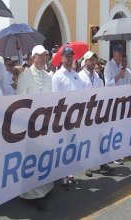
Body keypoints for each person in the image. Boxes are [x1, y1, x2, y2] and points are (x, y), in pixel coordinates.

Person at [17, 45, 54, 211]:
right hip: (29, 125)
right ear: (33, 58)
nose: (44, 58)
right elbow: (19, 101)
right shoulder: (24, 76)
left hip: (44, 124)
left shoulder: (49, 77)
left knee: (43, 157)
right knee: (30, 159)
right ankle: (30, 194)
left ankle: (45, 191)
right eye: (41, 55)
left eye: (45, 55)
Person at [78, 51, 115, 177]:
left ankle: (102, 163)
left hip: (97, 113)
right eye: (90, 60)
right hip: (85, 114)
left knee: (100, 139)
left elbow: (103, 95)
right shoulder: (79, 77)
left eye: (94, 60)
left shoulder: (98, 78)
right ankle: (87, 165)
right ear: (85, 61)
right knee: (87, 141)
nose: (93, 62)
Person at [52, 46, 84, 185]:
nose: (70, 58)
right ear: (62, 58)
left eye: (71, 56)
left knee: (72, 146)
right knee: (63, 146)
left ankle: (69, 173)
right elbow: (55, 99)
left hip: (75, 118)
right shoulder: (57, 76)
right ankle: (62, 174)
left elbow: (81, 95)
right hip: (63, 118)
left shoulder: (76, 75)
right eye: (67, 56)